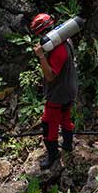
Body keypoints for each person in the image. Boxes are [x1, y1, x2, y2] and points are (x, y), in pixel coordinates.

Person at [30, 13, 78, 169]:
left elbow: (50, 76)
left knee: (49, 123)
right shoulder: (67, 40)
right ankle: (68, 146)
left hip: (59, 93)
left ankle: (52, 156)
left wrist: (41, 57)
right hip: (70, 89)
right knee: (65, 117)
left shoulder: (58, 50)